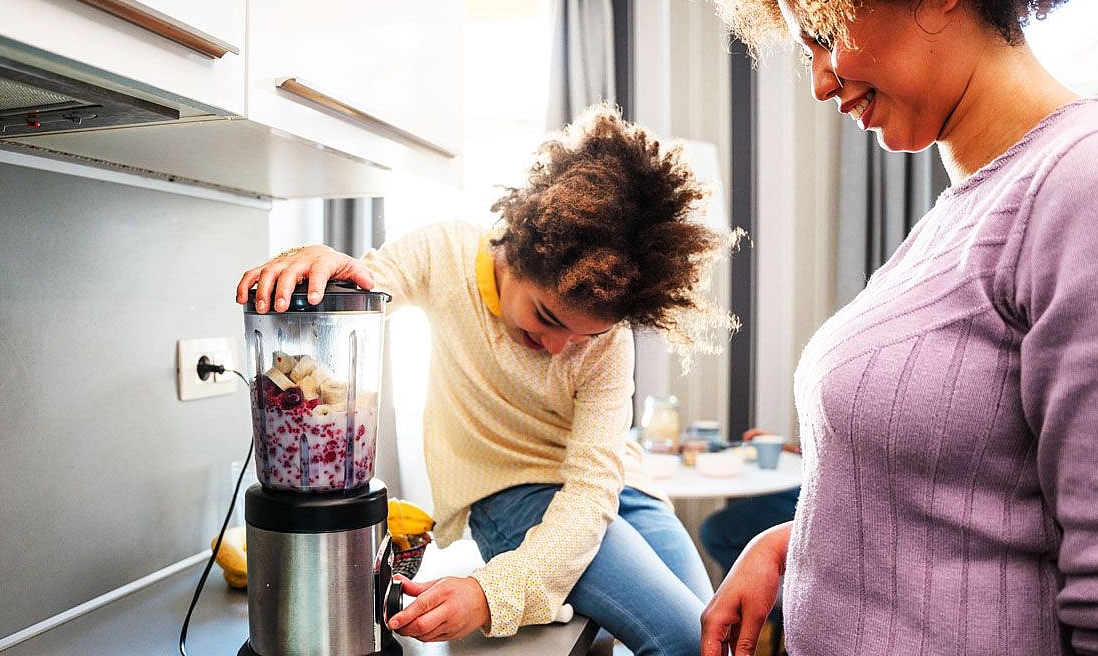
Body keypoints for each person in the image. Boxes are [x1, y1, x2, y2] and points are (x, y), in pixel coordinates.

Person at [679, 0, 1098, 655]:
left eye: (822, 33)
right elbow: (964, 495)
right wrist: (788, 544)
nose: (819, 81)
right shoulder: (955, 218)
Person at [237, 105, 732, 653]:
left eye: (584, 337)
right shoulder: (446, 253)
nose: (558, 347)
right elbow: (370, 280)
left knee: (717, 639)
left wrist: (491, 593)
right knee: (688, 639)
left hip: (620, 492)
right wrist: (322, 261)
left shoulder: (610, 341)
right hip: (511, 496)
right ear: (517, 247)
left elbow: (593, 489)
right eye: (546, 317)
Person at [697, 430, 799, 576]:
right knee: (717, 530)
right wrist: (783, 447)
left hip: (815, 498)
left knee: (715, 531)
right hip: (807, 487)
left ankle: (760, 591)